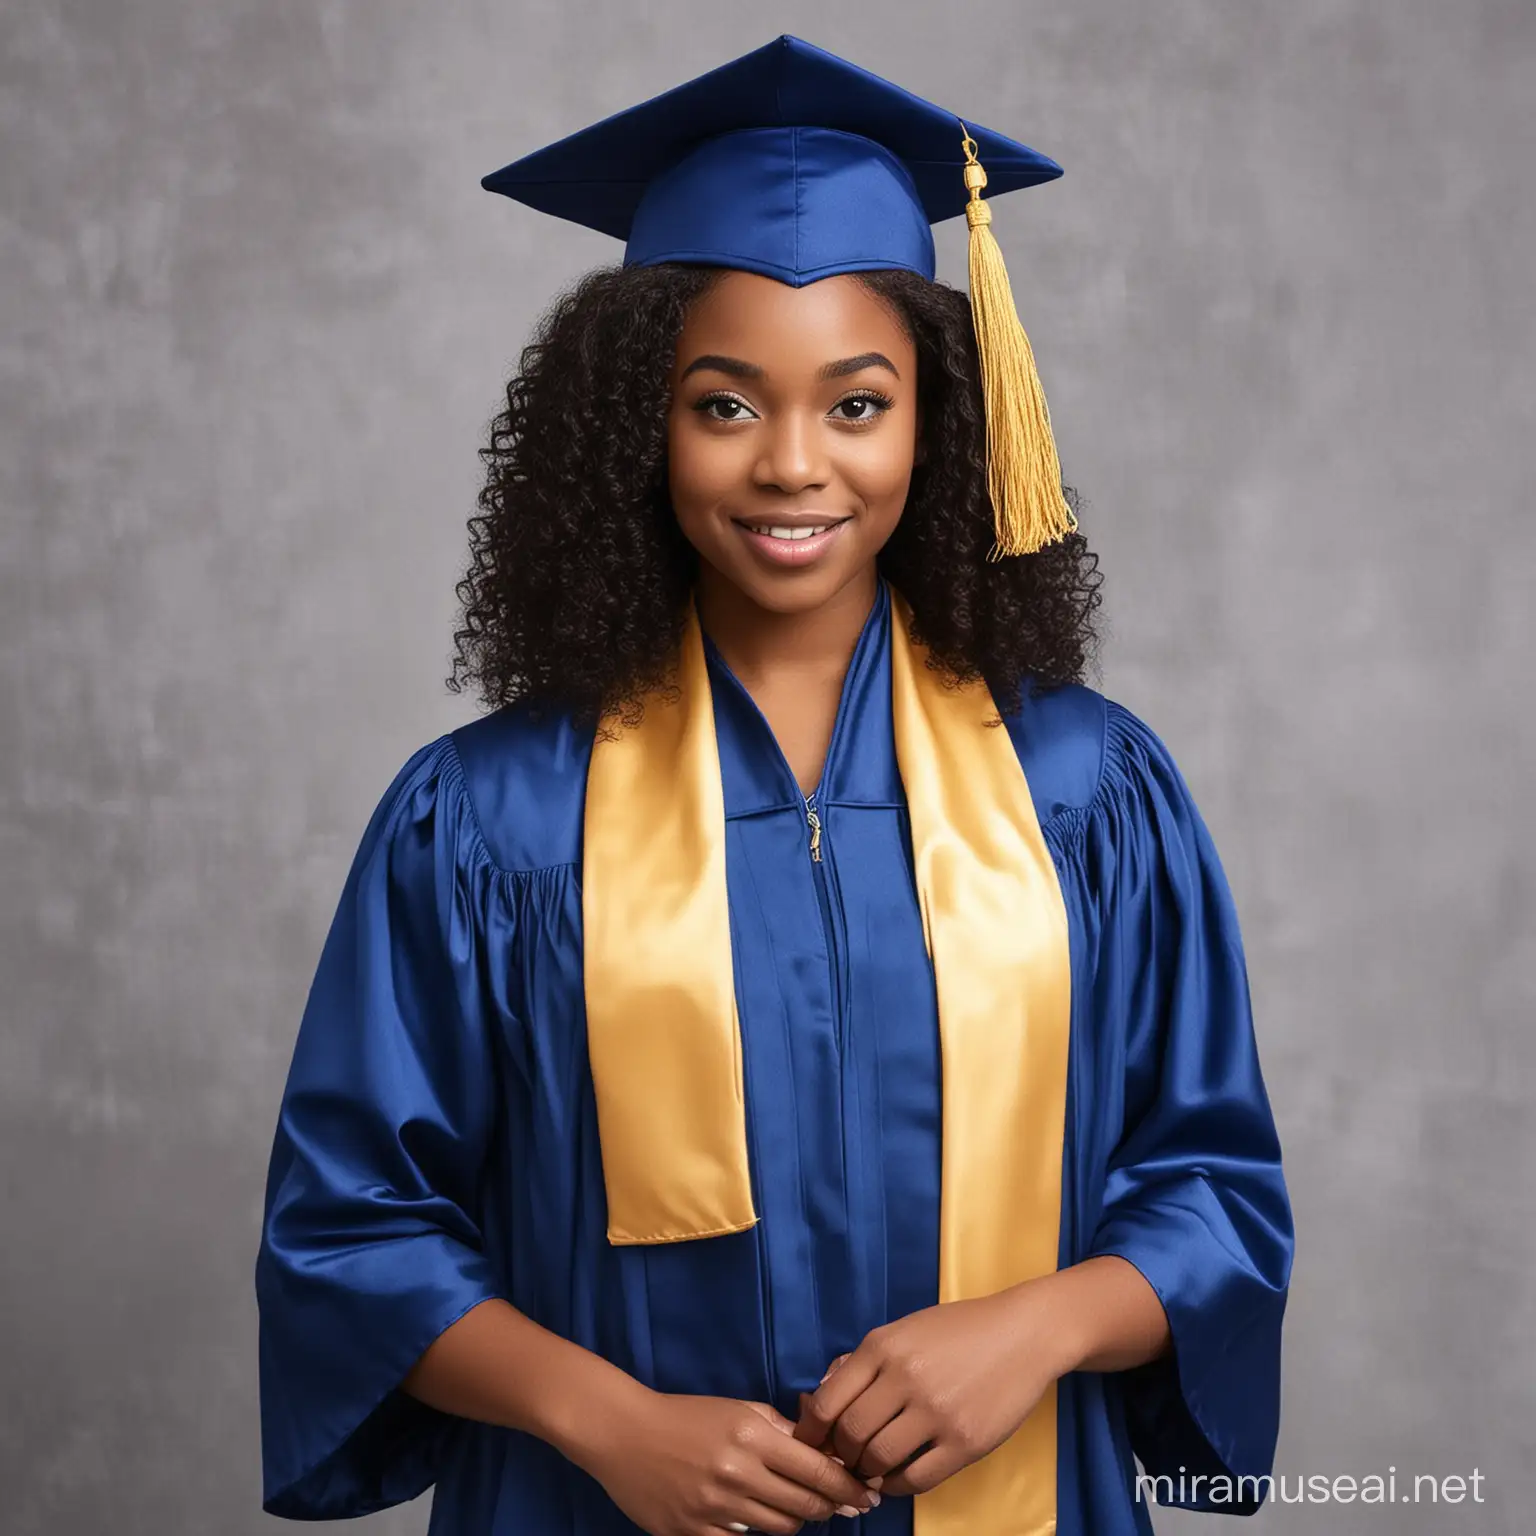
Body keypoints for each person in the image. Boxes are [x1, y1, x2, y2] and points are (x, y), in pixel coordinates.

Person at [254, 34, 1293, 1536]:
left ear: (937, 423)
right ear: (633, 430)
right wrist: (608, 1425)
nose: (794, 465)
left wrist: (1039, 1327)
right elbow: (351, 1233)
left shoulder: (1084, 789)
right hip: (589, 1507)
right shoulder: (489, 821)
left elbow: (1212, 1191)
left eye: (856, 404)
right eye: (725, 405)